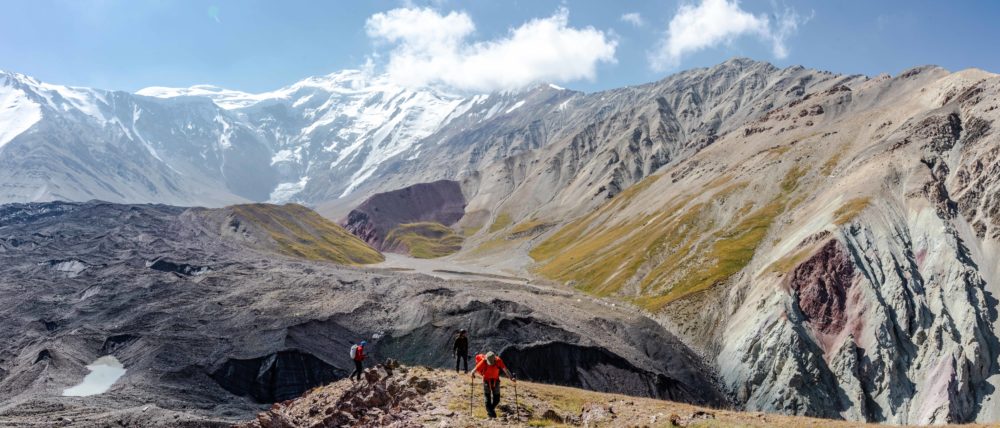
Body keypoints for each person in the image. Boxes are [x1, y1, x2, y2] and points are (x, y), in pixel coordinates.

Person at [471, 351, 514, 419]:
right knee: (487, 399)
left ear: (494, 359)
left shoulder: (498, 360)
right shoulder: (484, 361)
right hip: (486, 380)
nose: (490, 364)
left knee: (497, 399)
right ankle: (492, 415)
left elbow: (505, 370)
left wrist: (512, 378)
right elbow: (474, 370)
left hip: (496, 380)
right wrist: (472, 374)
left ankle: (490, 410)